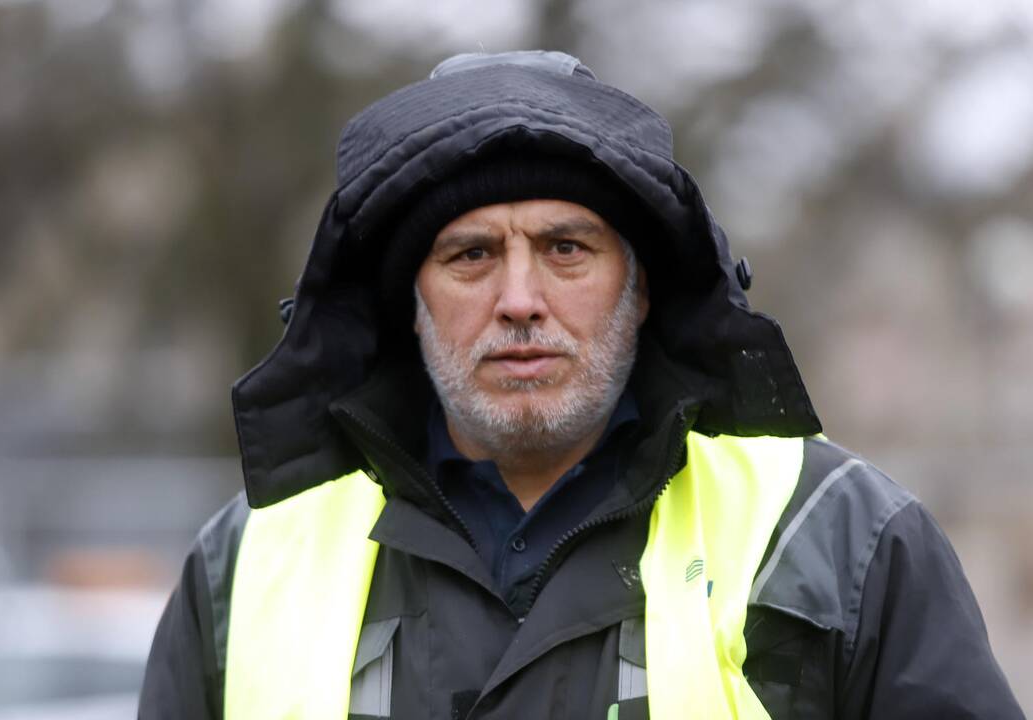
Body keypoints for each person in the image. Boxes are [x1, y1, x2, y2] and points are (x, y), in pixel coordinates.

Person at [139, 51, 1023, 719]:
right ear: (409, 305)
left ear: (641, 292)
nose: (519, 301)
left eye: (567, 249)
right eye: (470, 255)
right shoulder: (246, 569)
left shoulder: (840, 543)